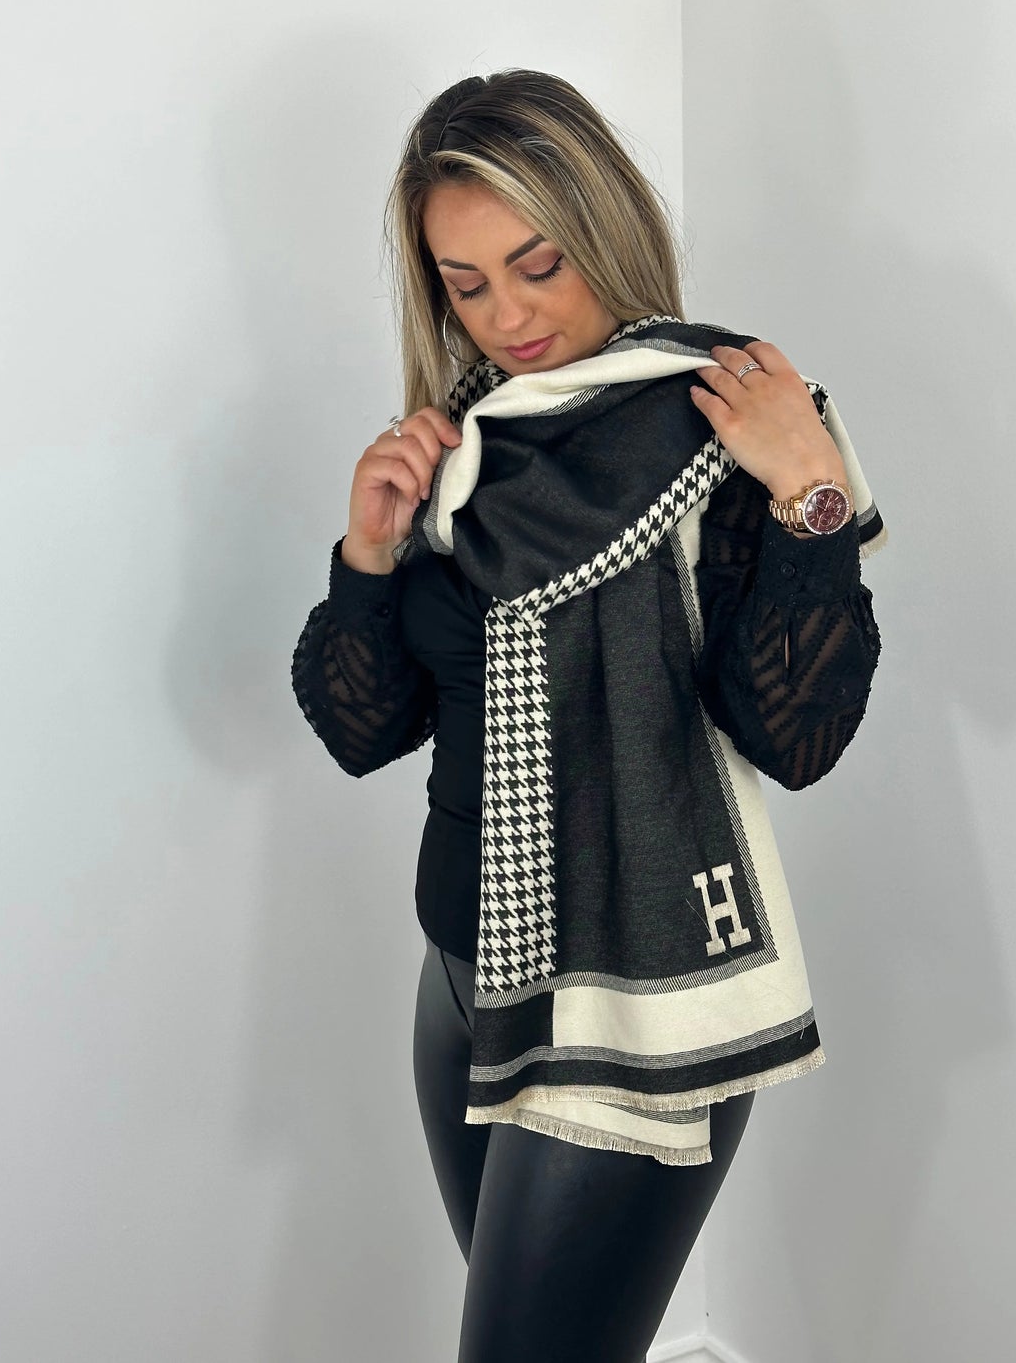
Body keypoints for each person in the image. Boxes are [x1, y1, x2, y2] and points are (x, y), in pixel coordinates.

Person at [290, 70, 883, 1363]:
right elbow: (362, 732)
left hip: (631, 999)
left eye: (537, 265)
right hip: (462, 978)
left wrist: (810, 495)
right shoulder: (467, 448)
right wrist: (368, 552)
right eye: (464, 284)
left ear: (601, 228)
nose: (507, 316)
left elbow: (796, 737)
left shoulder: (723, 421)